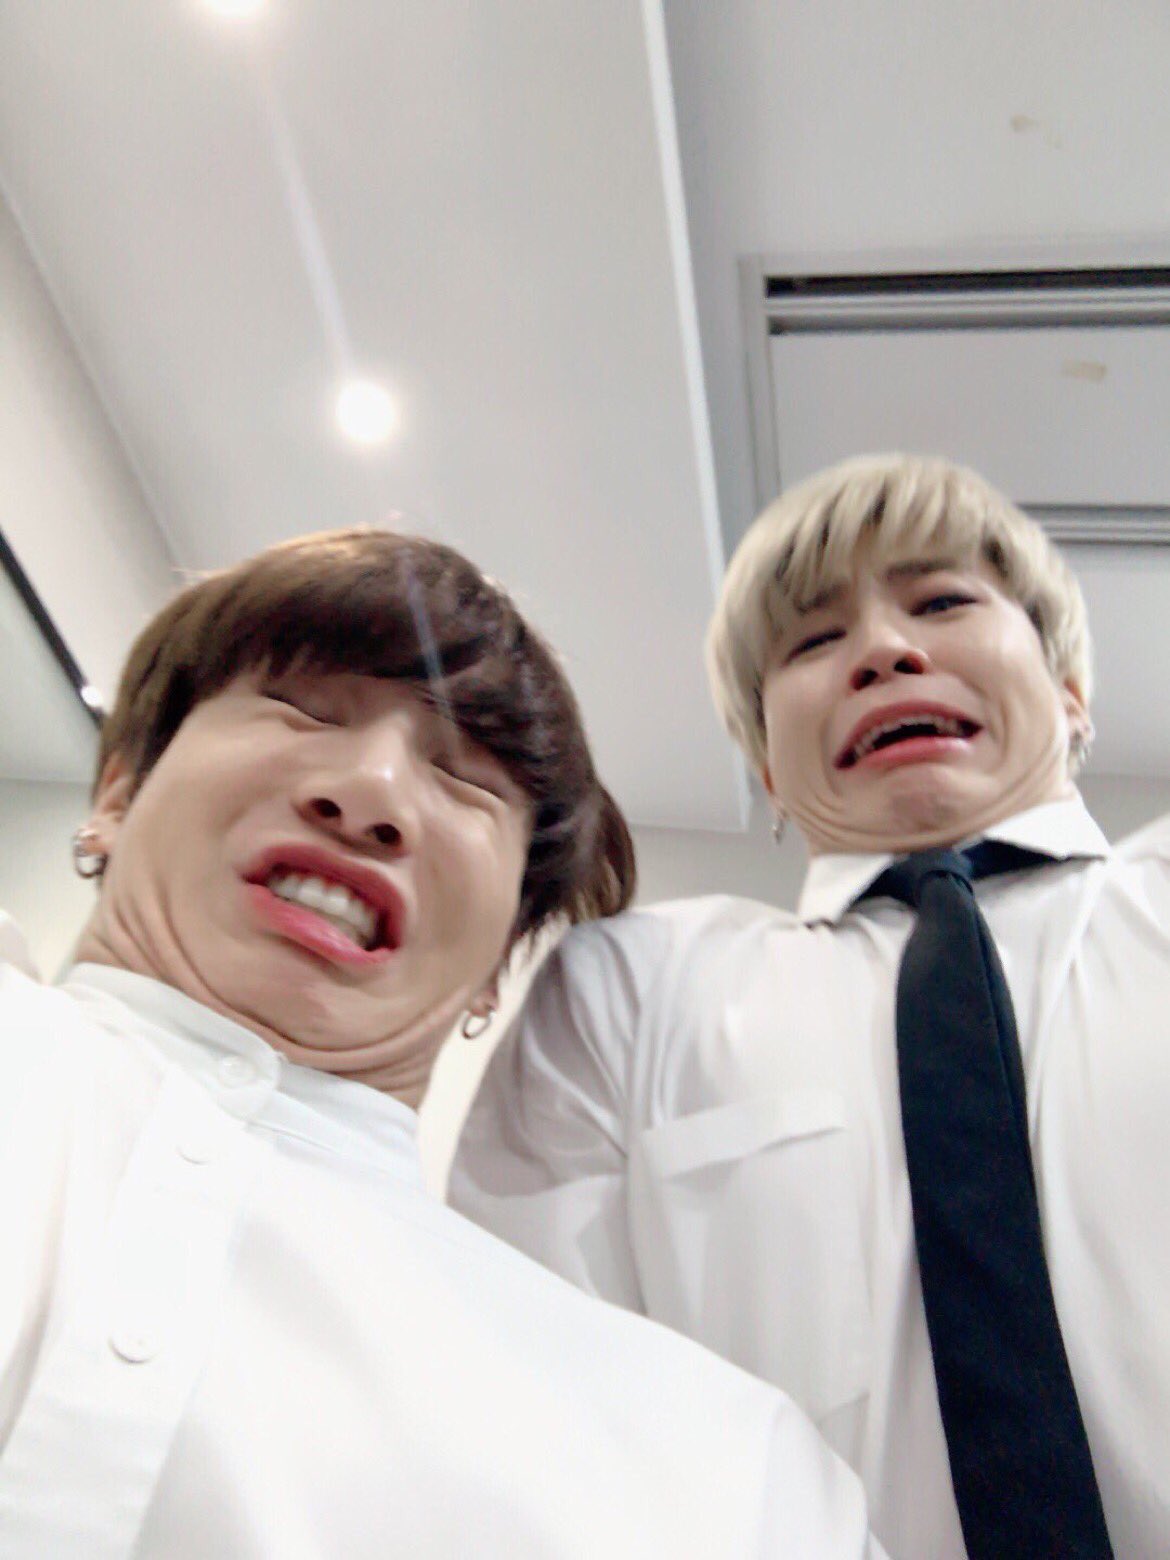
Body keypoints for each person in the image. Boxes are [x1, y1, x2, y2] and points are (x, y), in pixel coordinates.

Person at [0, 528, 884, 1556]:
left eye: (467, 780)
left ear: (501, 962)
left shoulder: (731, 1476)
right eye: (303, 708)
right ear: (117, 793)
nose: (373, 792)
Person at [451, 455, 1170, 1558]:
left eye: (943, 602)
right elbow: (535, 1415)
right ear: (769, 774)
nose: (885, 650)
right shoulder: (628, 992)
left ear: (1070, 693)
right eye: (814, 641)